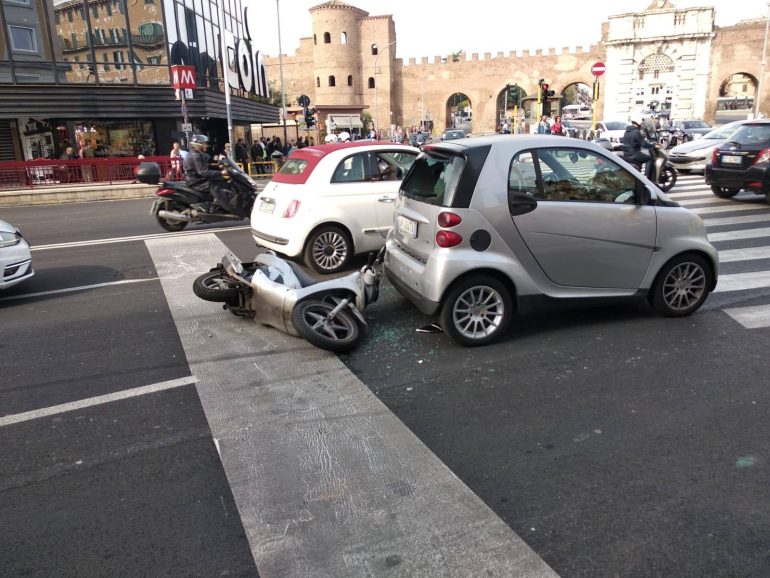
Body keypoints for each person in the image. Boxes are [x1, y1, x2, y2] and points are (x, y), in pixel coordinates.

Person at [183, 134, 227, 206]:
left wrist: (218, 166)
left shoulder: (197, 154)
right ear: (198, 145)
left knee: (220, 180)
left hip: (198, 179)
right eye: (204, 143)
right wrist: (221, 173)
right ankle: (215, 207)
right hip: (196, 181)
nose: (206, 146)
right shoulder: (195, 155)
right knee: (217, 185)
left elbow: (204, 166)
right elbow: (203, 172)